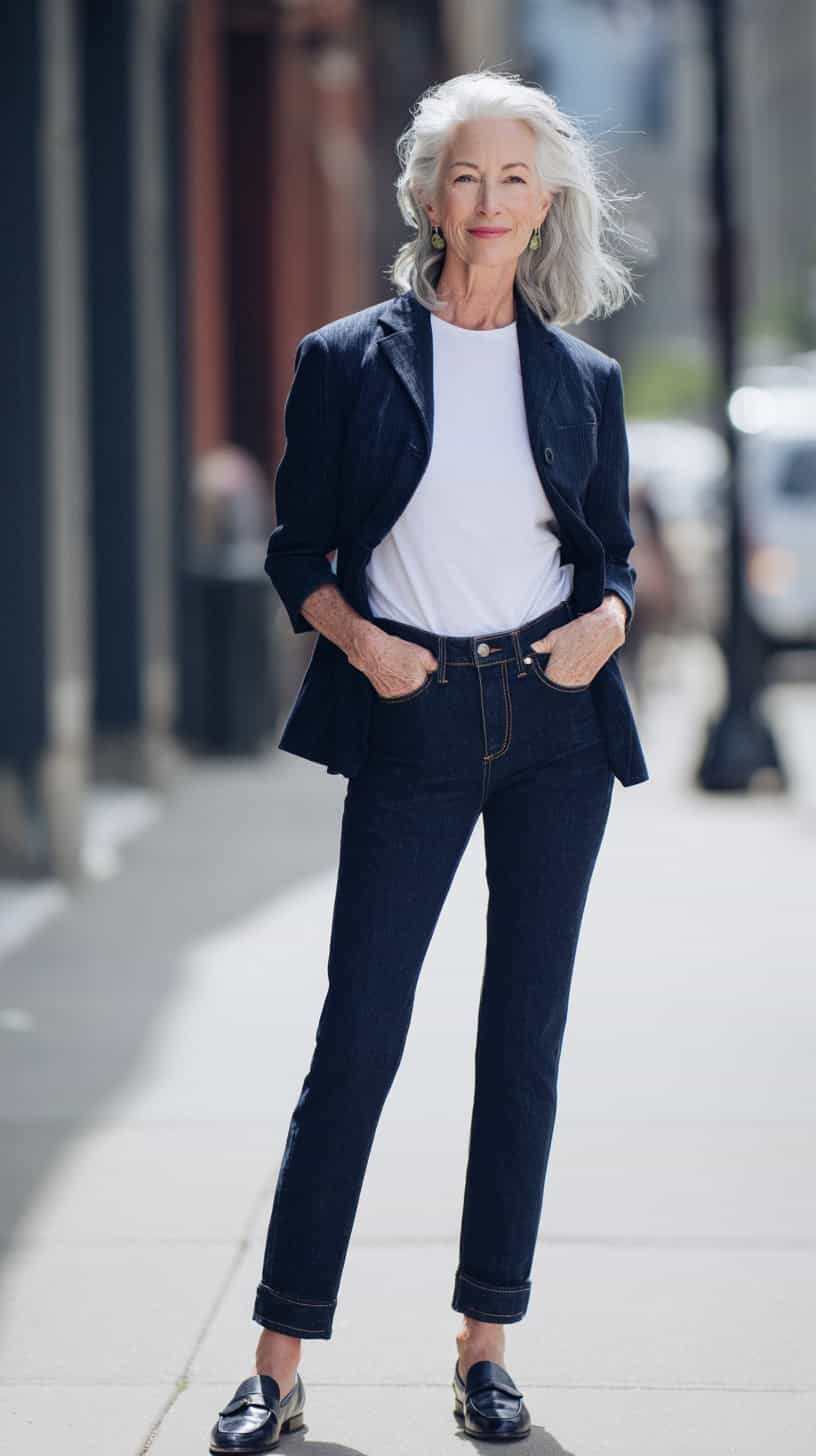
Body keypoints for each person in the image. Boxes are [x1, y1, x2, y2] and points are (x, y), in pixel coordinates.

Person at [210, 67, 649, 1453]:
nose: (489, 200)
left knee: (522, 1042)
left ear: (548, 200)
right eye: (466, 175)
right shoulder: (347, 360)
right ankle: (278, 1361)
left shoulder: (582, 377)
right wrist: (357, 638)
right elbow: (298, 554)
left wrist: (613, 623)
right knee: (360, 1036)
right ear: (425, 195)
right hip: (412, 718)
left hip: (556, 725)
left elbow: (615, 553)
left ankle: (484, 1345)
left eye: (515, 177)